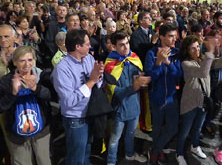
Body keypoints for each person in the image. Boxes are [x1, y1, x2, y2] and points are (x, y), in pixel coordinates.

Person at [51, 29, 104, 165]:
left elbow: (97, 84)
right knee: (76, 158)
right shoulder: (62, 68)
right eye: (87, 44)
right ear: (77, 46)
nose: (90, 46)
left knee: (86, 152)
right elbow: (68, 101)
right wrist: (91, 81)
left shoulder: (89, 58)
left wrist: (99, 75)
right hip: (75, 119)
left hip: (90, 113)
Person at [176, 34, 222, 165]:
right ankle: (179, 152)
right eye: (192, 48)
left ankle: (195, 146)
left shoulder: (204, 59)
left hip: (203, 101)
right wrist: (210, 52)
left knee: (198, 128)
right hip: (190, 102)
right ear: (186, 51)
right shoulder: (185, 63)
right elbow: (203, 72)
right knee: (184, 131)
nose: (197, 50)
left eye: (197, 47)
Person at [0, 46, 52, 165]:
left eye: (30, 60)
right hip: (17, 134)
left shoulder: (41, 76)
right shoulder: (6, 81)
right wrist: (13, 93)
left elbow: (50, 96)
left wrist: (35, 88)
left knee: (44, 161)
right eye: (22, 60)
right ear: (15, 62)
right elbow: (2, 106)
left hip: (41, 131)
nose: (26, 64)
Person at [105, 32, 150, 165]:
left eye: (127, 43)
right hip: (119, 109)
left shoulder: (134, 59)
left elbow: (139, 80)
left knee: (131, 134)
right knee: (114, 139)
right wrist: (133, 87)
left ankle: (130, 154)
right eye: (121, 45)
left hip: (134, 107)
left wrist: (143, 81)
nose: (126, 48)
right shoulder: (110, 66)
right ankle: (111, 162)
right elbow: (115, 92)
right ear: (114, 46)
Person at [145, 23, 182, 165]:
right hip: (157, 98)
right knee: (157, 129)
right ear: (161, 37)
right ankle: (157, 150)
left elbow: (179, 73)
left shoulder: (175, 53)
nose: (174, 39)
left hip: (172, 98)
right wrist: (159, 63)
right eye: (170, 36)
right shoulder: (151, 54)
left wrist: (167, 62)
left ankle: (155, 150)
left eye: (175, 36)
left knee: (173, 128)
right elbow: (151, 76)